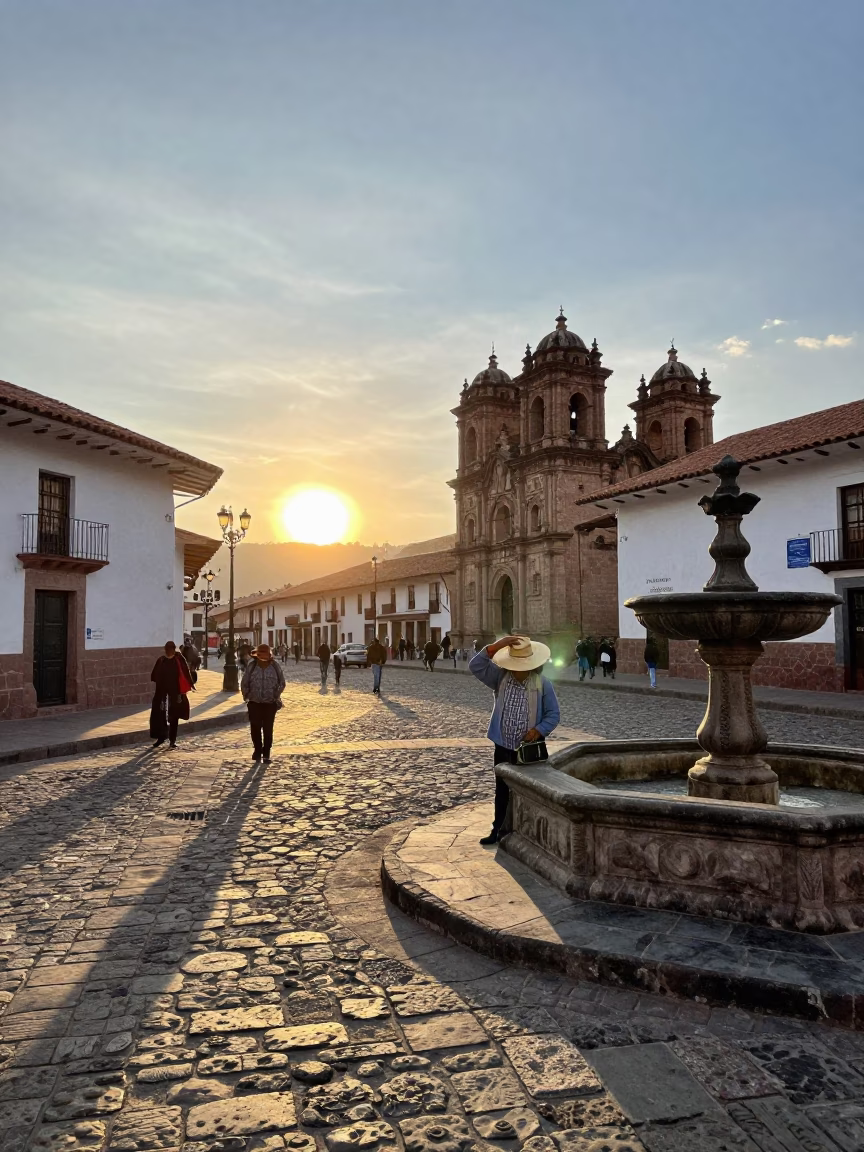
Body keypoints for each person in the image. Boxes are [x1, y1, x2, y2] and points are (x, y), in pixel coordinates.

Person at [470, 634, 560, 845]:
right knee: (501, 790)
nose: (519, 668)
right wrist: (498, 645)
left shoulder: (542, 684)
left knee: (528, 793)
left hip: (527, 749)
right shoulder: (500, 677)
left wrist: (538, 730)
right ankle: (498, 829)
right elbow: (476, 666)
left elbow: (553, 714)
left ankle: (527, 833)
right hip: (502, 745)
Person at [241, 643, 285, 764]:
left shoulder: (275, 666)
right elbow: (245, 681)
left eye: (264, 653)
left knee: (267, 729)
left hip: (270, 703)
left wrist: (276, 694)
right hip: (254, 702)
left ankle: (266, 754)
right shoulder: (252, 665)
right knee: (255, 728)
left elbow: (282, 682)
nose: (262, 655)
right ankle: (257, 750)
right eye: (260, 653)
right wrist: (246, 695)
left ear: (269, 654)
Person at [149, 641, 194, 749]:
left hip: (175, 692)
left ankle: (172, 740)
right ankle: (161, 737)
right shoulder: (161, 661)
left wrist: (182, 692)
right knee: (160, 714)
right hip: (162, 692)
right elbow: (154, 676)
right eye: (166, 650)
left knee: (174, 716)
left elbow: (185, 674)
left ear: (174, 649)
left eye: (169, 650)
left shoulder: (179, 660)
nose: (167, 652)